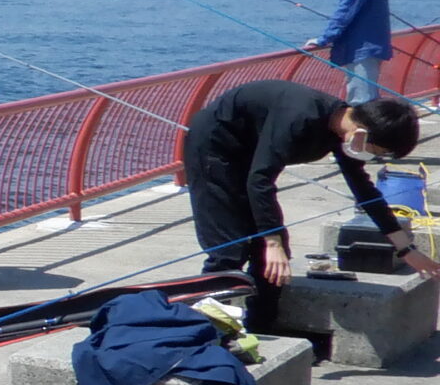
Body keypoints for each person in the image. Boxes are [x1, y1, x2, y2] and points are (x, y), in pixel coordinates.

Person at [179, 78, 439, 329]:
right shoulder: (299, 118)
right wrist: (272, 240)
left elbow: (363, 189)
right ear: (363, 134)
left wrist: (405, 248)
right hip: (215, 148)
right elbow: (260, 180)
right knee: (229, 246)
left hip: (251, 157)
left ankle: (261, 327)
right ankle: (200, 325)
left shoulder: (342, 133)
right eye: (377, 151)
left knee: (274, 258)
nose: (373, 157)